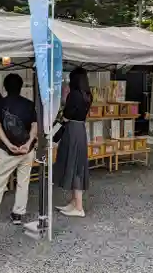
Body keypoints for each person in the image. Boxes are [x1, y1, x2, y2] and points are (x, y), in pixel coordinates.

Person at [0, 73, 37, 225]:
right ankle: (18, 214)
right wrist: (28, 143)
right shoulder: (29, 104)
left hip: (6, 151)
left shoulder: (0, 103)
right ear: (21, 87)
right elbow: (35, 126)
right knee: (23, 182)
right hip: (26, 151)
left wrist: (8, 144)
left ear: (5, 87)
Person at [54, 67, 92, 217]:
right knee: (77, 164)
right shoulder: (88, 95)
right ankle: (74, 203)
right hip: (80, 129)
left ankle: (79, 207)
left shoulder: (73, 95)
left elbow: (66, 116)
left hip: (72, 130)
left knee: (74, 164)